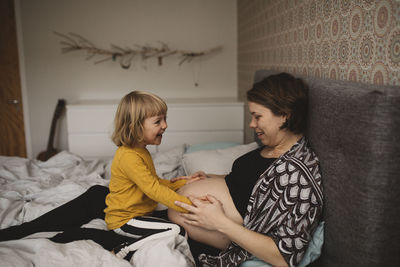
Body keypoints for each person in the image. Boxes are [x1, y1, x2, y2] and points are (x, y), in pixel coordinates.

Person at [0, 91, 197, 260]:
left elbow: (153, 183)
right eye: (158, 121)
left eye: (164, 119)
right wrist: (187, 205)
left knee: (97, 196)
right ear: (136, 127)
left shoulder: (141, 151)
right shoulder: (130, 156)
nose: (165, 126)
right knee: (95, 197)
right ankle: (25, 232)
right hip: (124, 215)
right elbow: (153, 189)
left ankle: (79, 234)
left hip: (126, 209)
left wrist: (181, 182)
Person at [169, 72, 323, 267]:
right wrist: (210, 177)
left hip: (210, 244)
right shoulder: (273, 147)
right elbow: (251, 183)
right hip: (188, 231)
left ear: (285, 115)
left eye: (257, 117)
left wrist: (218, 222)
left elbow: (285, 256)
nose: (252, 124)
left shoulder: (299, 176)